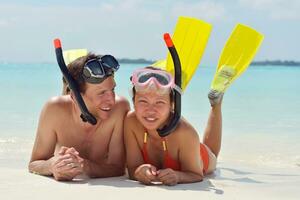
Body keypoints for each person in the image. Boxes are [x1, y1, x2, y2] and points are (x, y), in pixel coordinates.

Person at [29, 53, 130, 181]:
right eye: (102, 93)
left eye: (113, 90)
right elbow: (34, 164)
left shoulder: (120, 108)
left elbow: (117, 168)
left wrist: (84, 166)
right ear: (75, 97)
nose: (111, 100)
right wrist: (52, 165)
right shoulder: (54, 109)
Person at [124, 67, 222, 186]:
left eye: (159, 102)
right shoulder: (130, 122)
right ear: (134, 101)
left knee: (213, 154)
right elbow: (133, 168)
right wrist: (139, 172)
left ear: (172, 104)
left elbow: (196, 175)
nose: (150, 110)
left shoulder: (185, 133)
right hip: (187, 147)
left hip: (199, 155)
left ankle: (216, 105)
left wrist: (178, 176)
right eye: (143, 101)